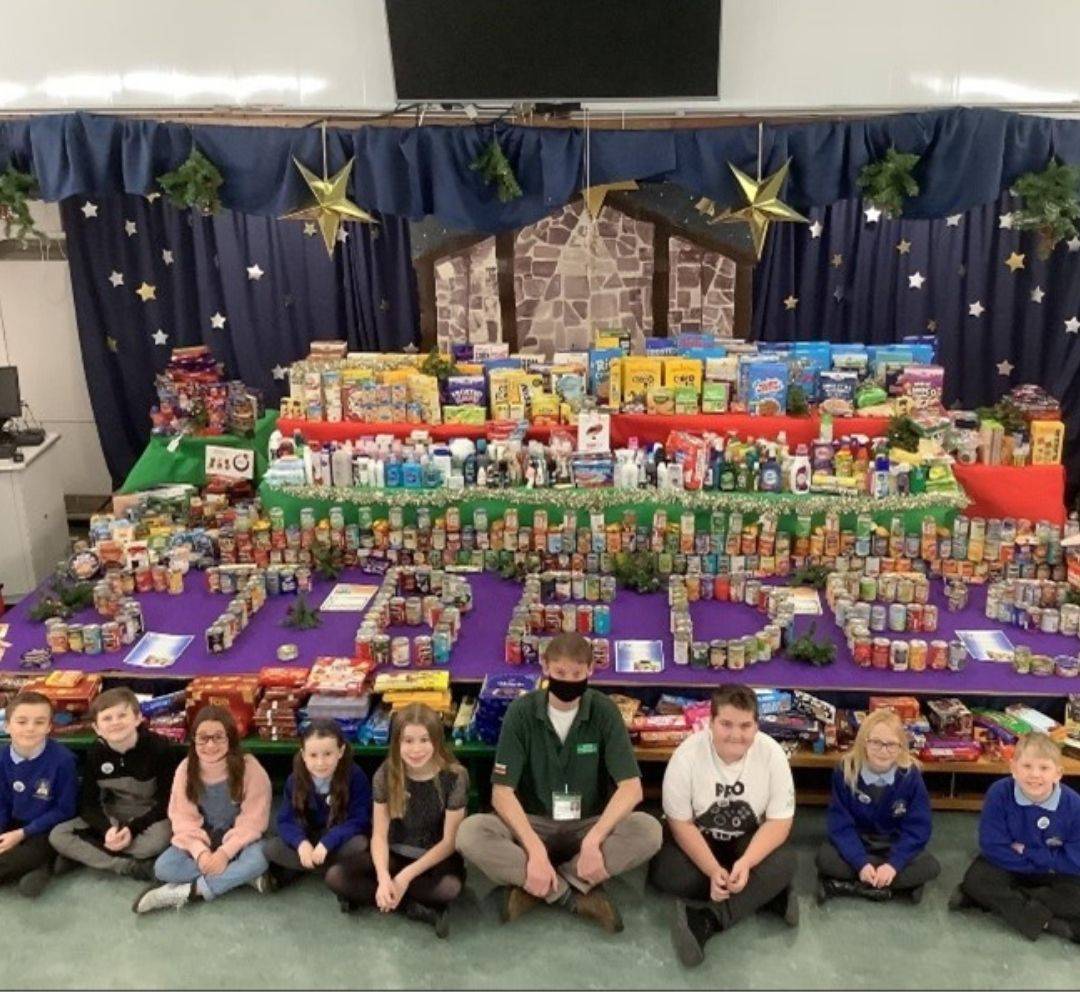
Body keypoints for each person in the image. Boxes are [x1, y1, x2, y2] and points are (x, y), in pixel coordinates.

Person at [457, 632, 662, 934]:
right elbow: (502, 794)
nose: (568, 680)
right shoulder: (522, 712)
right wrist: (535, 850)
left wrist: (594, 840)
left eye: (577, 673)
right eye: (561, 672)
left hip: (588, 823)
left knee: (649, 829)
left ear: (591, 670)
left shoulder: (604, 711)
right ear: (545, 667)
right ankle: (570, 893)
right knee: (470, 833)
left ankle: (538, 884)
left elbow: (631, 788)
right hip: (533, 822)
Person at [649, 684, 797, 968]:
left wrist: (746, 862)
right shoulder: (687, 755)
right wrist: (712, 870)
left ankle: (707, 919)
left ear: (756, 726)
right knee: (665, 871)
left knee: (786, 860)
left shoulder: (772, 754)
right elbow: (681, 825)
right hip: (700, 844)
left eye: (745, 726)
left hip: (747, 843)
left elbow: (779, 823)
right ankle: (764, 895)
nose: (736, 734)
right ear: (711, 723)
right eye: (726, 724)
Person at [333, 703, 468, 938]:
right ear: (397, 743)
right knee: (336, 876)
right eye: (408, 741)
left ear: (437, 741)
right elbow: (379, 835)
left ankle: (380, 898)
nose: (416, 749)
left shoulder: (455, 776)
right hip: (395, 853)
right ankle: (412, 907)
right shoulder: (385, 774)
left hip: (433, 858)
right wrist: (385, 877)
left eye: (424, 740)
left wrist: (405, 877)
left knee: (449, 888)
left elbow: (449, 842)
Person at [132, 705, 272, 913]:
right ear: (194, 739)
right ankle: (241, 878)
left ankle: (190, 891)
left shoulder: (250, 768)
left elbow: (253, 822)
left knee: (260, 858)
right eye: (203, 738)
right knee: (164, 867)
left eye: (218, 737)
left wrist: (225, 853)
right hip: (202, 840)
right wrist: (201, 854)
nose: (210, 745)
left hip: (238, 842)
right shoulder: (185, 770)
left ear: (230, 739)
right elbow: (183, 821)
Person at [950, 731, 1080, 942]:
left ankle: (993, 900)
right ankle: (1048, 923)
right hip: (1010, 865)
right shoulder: (999, 793)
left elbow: (1075, 860)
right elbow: (992, 846)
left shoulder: (1074, 805)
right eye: (1027, 766)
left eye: (1044, 768)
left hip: (1051, 869)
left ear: (1058, 773)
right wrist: (1039, 861)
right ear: (1013, 768)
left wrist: (1030, 853)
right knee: (977, 879)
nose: (1035, 775)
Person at [49, 687, 175, 881]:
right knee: (58, 835)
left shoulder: (158, 748)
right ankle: (127, 866)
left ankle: (87, 854)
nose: (115, 723)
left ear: (138, 718)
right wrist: (107, 829)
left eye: (122, 715)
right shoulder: (95, 754)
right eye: (107, 718)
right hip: (113, 815)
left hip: (149, 816)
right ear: (97, 728)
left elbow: (168, 800)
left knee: (158, 842)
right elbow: (88, 804)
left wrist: (132, 829)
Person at [815, 707, 939, 903]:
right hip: (858, 842)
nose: (883, 751)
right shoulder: (845, 771)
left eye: (891, 745)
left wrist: (894, 865)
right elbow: (840, 825)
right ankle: (892, 889)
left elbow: (918, 828)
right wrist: (861, 863)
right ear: (863, 743)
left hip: (892, 844)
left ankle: (849, 886)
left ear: (901, 747)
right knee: (825, 858)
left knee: (930, 866)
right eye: (875, 743)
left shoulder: (911, 775)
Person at [264, 719, 371, 904]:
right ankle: (329, 871)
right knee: (271, 848)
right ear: (303, 755)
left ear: (341, 751)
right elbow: (285, 820)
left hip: (337, 841)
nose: (321, 763)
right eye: (313, 755)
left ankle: (307, 869)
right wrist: (301, 844)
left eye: (328, 754)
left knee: (360, 844)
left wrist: (328, 842)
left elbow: (360, 819)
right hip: (310, 837)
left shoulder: (355, 776)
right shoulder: (294, 780)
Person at [0, 691, 77, 897]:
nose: (30, 728)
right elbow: (2, 802)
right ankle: (42, 869)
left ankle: (42, 864)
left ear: (49, 727)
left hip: (45, 827)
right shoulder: (1, 758)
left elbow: (65, 809)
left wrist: (23, 833)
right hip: (13, 822)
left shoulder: (63, 761)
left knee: (33, 851)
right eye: (22, 721)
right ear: (7, 725)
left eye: (39, 722)